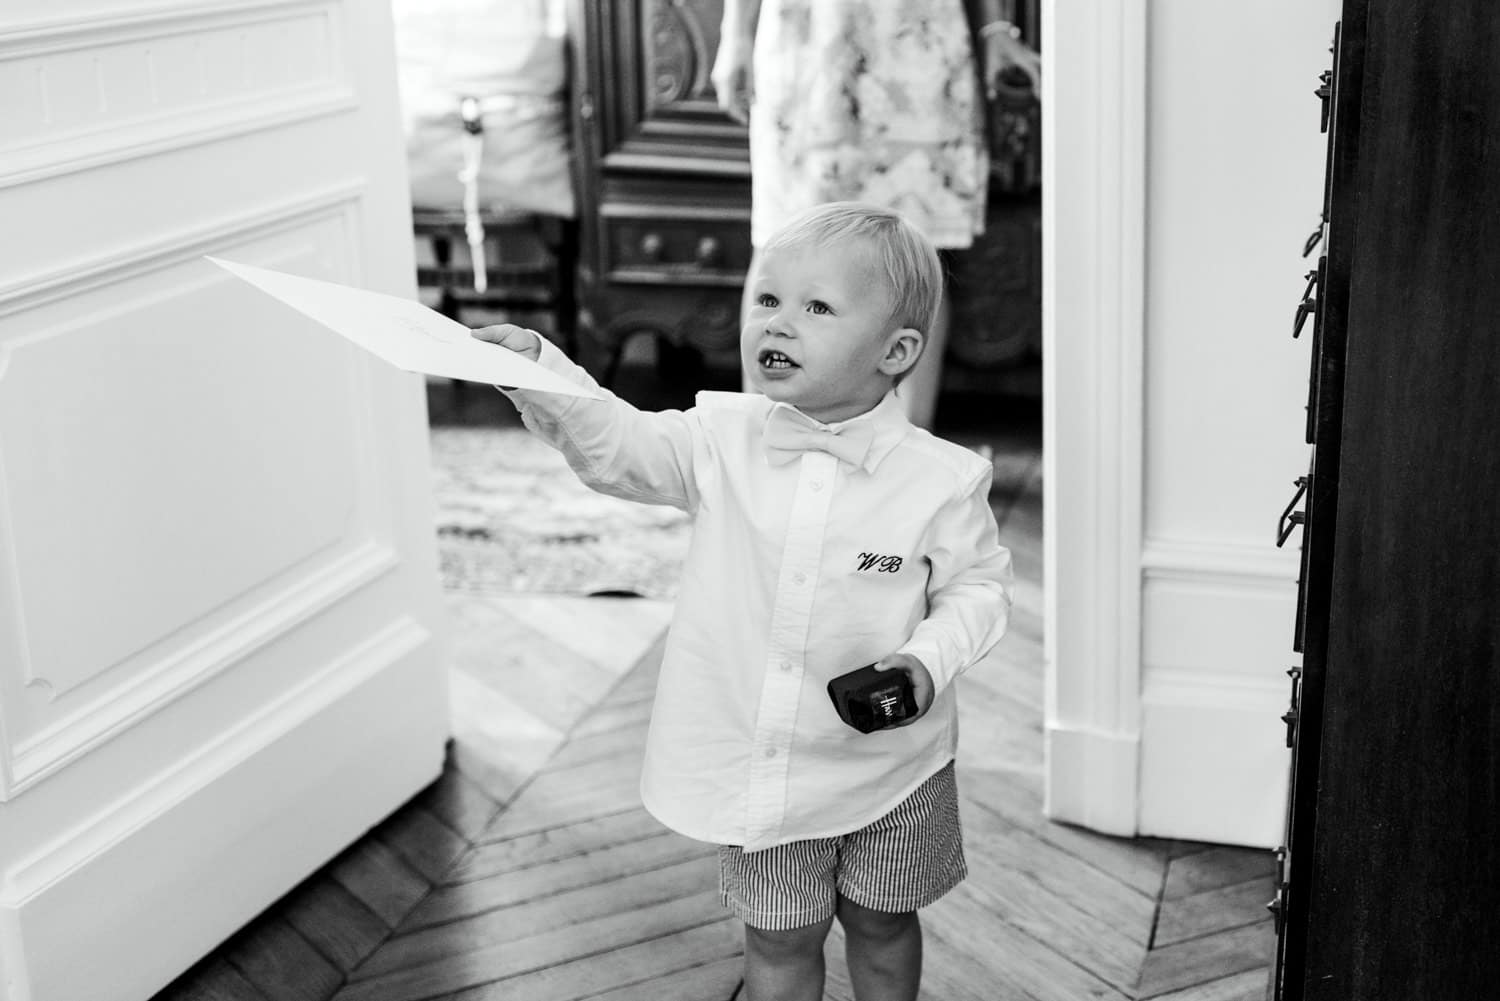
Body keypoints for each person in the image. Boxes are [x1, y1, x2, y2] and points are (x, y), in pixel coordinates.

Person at [472, 201, 1013, 1001]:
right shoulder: (719, 439)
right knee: (779, 936)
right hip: (768, 767)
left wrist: (925, 662)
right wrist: (544, 373)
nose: (779, 324)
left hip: (895, 768)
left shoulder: (940, 480)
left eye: (816, 307)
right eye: (767, 300)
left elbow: (979, 588)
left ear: (896, 351)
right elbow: (621, 447)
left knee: (883, 922)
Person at [711, 0, 1041, 430]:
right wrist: (736, 34)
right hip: (809, 36)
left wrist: (996, 28)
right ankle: (757, 448)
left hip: (918, 40)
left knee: (918, 253)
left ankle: (901, 462)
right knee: (784, 243)